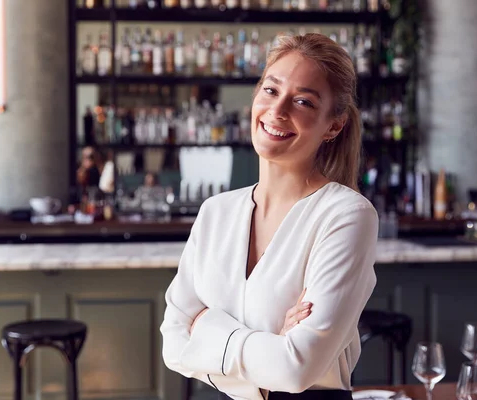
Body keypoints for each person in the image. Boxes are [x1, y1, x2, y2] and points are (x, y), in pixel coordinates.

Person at [160, 33, 378, 400]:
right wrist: (271, 344)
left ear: (333, 125)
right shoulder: (215, 212)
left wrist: (207, 330)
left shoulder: (347, 216)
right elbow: (172, 343)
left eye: (303, 101)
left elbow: (296, 370)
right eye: (271, 91)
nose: (277, 112)